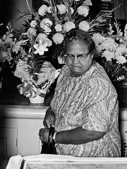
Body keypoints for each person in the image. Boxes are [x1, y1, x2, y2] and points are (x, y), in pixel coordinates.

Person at [39, 28, 121, 157]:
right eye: (70, 55)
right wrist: (51, 113)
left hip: (93, 161)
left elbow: (93, 131)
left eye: (81, 56)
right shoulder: (66, 71)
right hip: (66, 155)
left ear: (92, 54)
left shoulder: (98, 84)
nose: (75, 61)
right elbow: (58, 104)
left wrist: (53, 137)